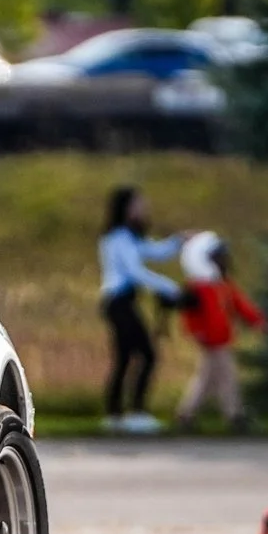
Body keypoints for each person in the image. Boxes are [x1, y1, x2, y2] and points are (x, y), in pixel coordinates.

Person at [98, 186, 179, 433]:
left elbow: (155, 251)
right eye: (138, 205)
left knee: (124, 358)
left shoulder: (129, 237)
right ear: (125, 208)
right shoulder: (118, 238)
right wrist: (169, 287)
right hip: (118, 302)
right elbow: (135, 271)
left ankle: (116, 415)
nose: (143, 209)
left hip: (123, 302)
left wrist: (179, 242)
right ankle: (136, 412)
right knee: (146, 354)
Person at [172, 231, 266, 432]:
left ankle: (186, 414)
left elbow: (240, 304)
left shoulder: (223, 285)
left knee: (207, 379)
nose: (223, 260)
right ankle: (234, 415)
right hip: (211, 340)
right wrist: (197, 332)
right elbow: (191, 317)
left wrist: (257, 320)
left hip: (221, 338)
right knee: (227, 376)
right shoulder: (196, 288)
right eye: (217, 256)